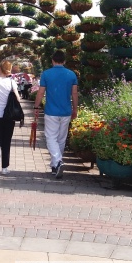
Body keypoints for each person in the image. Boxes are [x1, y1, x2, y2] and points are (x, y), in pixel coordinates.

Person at [34, 50, 78, 179]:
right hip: (66, 111)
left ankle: (58, 161)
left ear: (53, 60)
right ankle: (55, 165)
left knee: (51, 137)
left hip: (51, 111)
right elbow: (74, 93)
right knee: (61, 138)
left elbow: (41, 92)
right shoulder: (71, 74)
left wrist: (36, 106)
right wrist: (75, 109)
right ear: (64, 61)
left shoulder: (46, 74)